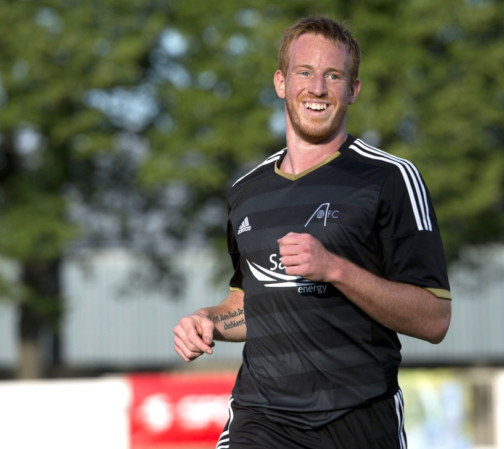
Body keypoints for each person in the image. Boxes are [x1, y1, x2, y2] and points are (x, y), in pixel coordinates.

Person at [172, 16, 451, 449]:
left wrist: (335, 269)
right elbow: (253, 300)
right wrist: (209, 321)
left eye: (333, 76)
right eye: (304, 72)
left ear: (353, 90)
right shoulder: (247, 192)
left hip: (357, 418)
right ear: (281, 82)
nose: (317, 88)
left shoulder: (391, 178)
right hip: (261, 418)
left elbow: (435, 319)